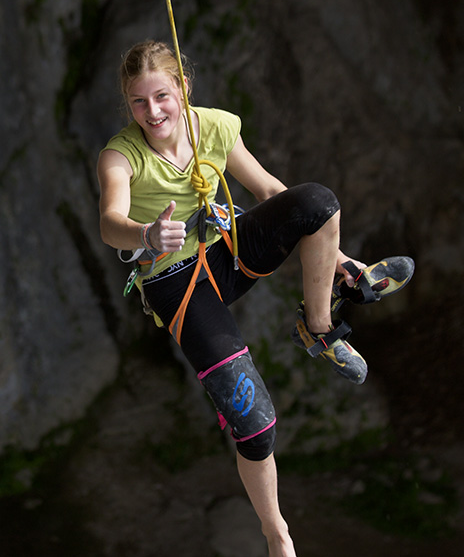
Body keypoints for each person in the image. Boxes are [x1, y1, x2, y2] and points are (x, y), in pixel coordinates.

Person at [96, 40, 375, 557]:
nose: (152, 112)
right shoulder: (121, 155)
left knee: (319, 203)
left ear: (183, 88)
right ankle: (277, 533)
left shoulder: (216, 127)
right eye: (139, 101)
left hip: (226, 251)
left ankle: (319, 327)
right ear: (127, 103)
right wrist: (146, 235)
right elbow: (111, 222)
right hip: (176, 285)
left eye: (162, 96)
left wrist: (337, 256)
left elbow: (269, 191)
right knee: (254, 422)